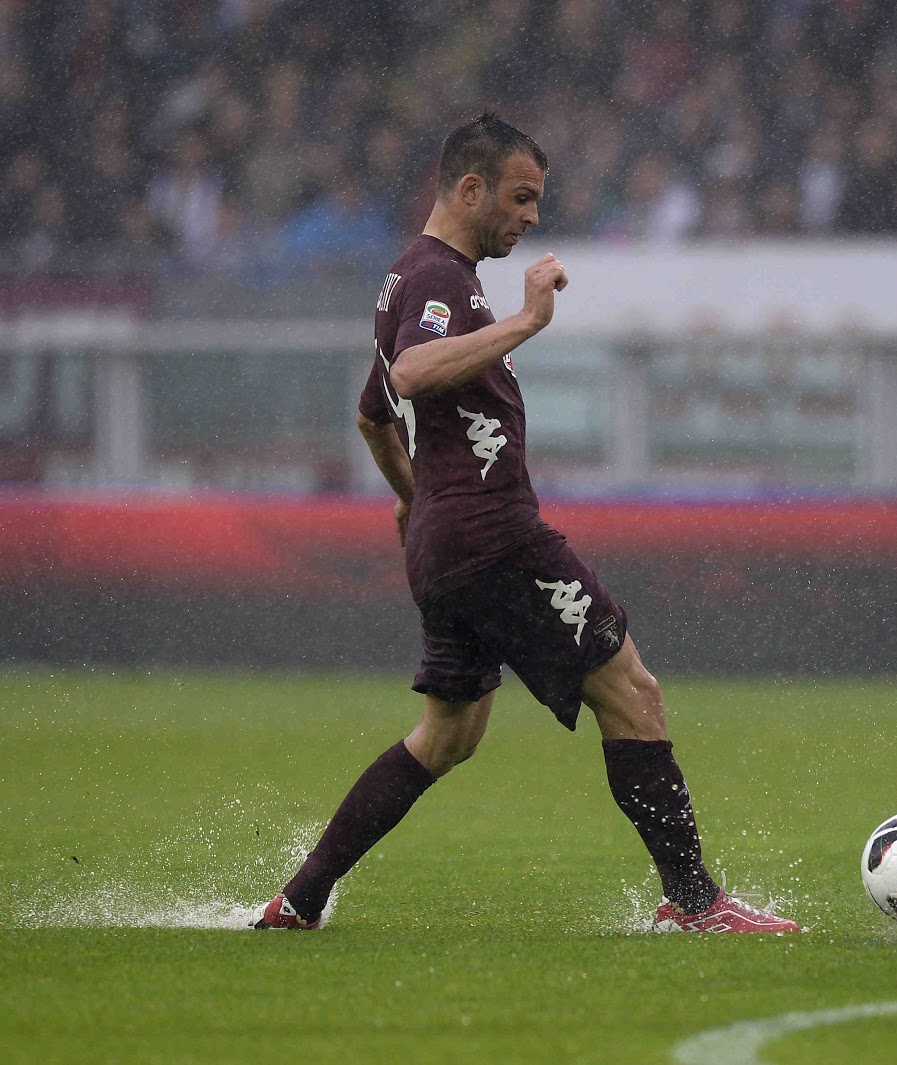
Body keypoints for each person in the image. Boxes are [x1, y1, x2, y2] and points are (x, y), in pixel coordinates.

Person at [254, 112, 797, 934]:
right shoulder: (438, 278)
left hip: (449, 542)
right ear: (470, 188)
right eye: (521, 197)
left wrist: (414, 498)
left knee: (447, 735)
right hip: (494, 536)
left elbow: (373, 413)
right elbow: (411, 373)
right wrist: (525, 322)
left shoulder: (412, 279)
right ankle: (695, 903)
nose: (532, 216)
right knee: (632, 691)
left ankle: (299, 899)